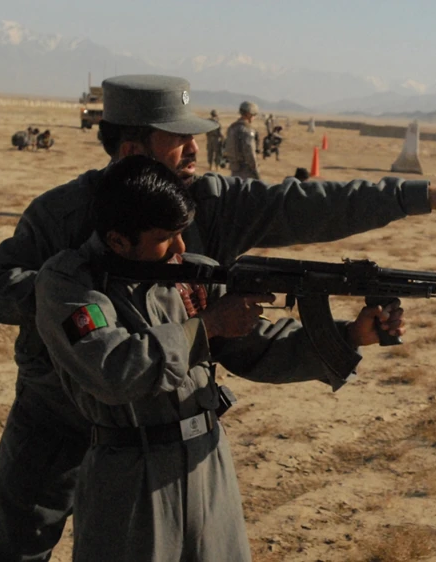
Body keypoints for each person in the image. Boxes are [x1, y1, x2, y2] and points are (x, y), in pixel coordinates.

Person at [0, 73, 436, 561]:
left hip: (171, 422)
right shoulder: (61, 217)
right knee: (6, 544)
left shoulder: (210, 204)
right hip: (57, 409)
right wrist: (88, 300)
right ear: (132, 150)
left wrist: (418, 196)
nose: (197, 147)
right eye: (178, 138)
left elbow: (306, 206)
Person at [33, 155, 404, 561]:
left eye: (183, 234)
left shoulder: (189, 275)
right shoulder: (69, 284)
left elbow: (255, 347)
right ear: (118, 239)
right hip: (129, 479)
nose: (180, 248)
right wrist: (205, 327)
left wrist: (350, 335)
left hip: (207, 465)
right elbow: (114, 370)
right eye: (166, 237)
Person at [225, 100, 261, 180]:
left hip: (234, 169)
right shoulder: (247, 130)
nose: (254, 117)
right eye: (253, 115)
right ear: (249, 114)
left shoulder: (232, 128)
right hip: (246, 170)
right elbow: (250, 151)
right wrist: (256, 170)